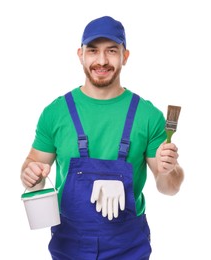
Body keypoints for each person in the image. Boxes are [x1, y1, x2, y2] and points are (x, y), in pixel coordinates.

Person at [21, 16, 184, 260]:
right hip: (69, 244)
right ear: (80, 55)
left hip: (128, 245)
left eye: (111, 51)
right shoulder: (55, 113)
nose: (101, 60)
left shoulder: (148, 115)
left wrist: (169, 170)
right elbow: (32, 178)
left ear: (125, 56)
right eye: (93, 50)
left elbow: (168, 188)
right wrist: (30, 174)